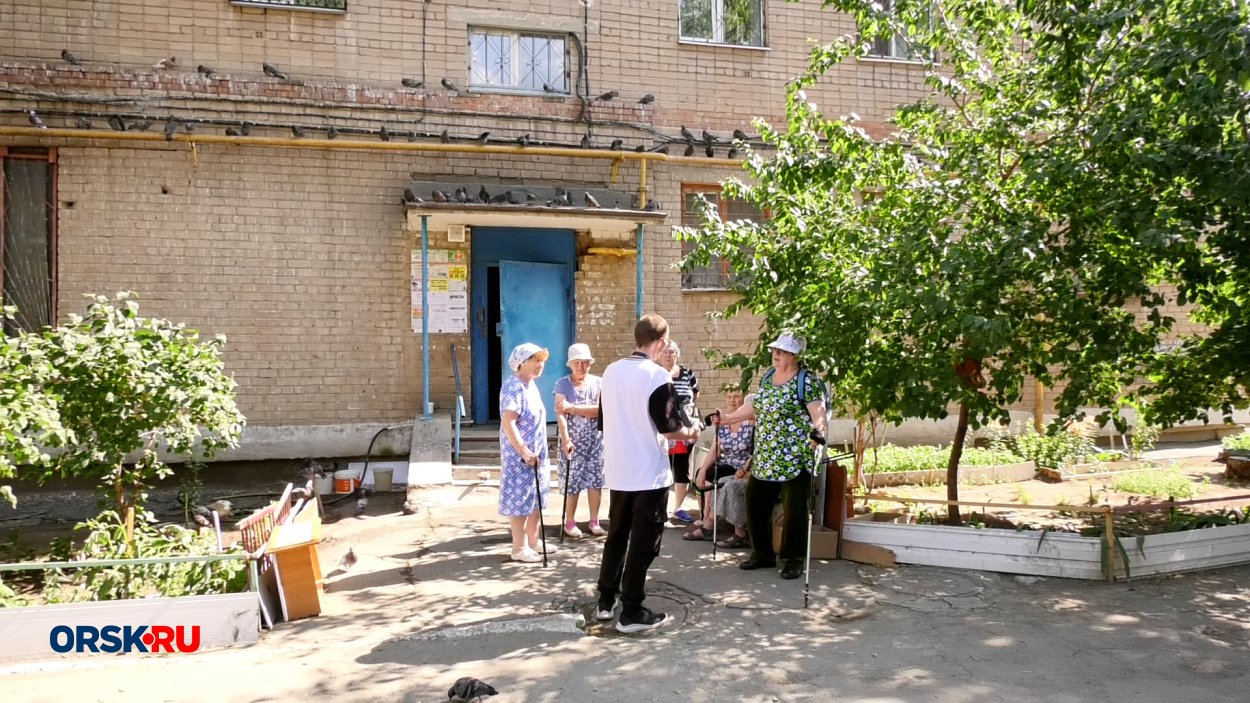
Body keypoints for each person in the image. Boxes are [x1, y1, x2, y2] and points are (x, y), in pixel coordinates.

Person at [595, 313, 700, 633]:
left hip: (618, 469)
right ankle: (631, 611)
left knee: (616, 536)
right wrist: (693, 431)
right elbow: (671, 431)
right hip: (648, 473)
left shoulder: (611, 372)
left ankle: (605, 600)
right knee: (644, 542)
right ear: (661, 342)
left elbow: (603, 421)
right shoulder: (656, 376)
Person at [714, 333, 825, 580]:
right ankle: (762, 554)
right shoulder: (767, 377)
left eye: (783, 351)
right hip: (766, 454)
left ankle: (793, 559)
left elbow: (818, 413)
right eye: (775, 349)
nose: (776, 354)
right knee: (754, 502)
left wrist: (818, 431)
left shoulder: (806, 381)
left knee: (795, 510)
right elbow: (755, 406)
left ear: (795, 355)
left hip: (795, 456)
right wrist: (727, 418)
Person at [498, 342, 558, 564]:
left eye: (542, 361)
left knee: (536, 498)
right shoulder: (513, 386)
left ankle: (534, 542)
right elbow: (509, 421)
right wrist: (523, 450)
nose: (540, 365)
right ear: (521, 363)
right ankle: (519, 547)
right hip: (520, 456)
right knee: (520, 500)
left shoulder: (530, 385)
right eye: (536, 361)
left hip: (537, 455)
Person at [684, 389, 754, 548]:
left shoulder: (751, 423)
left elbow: (755, 451)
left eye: (737, 396)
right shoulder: (723, 423)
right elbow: (715, 449)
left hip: (741, 466)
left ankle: (708, 525)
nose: (733, 400)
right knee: (705, 473)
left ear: (743, 399)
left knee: (719, 481)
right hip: (727, 463)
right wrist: (702, 470)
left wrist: (745, 468)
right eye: (729, 397)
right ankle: (706, 519)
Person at [553, 342, 606, 538]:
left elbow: (600, 411)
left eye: (585, 362)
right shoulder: (562, 384)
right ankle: (570, 522)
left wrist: (572, 408)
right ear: (570, 364)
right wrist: (566, 438)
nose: (581, 366)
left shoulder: (599, 382)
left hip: (595, 440)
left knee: (595, 481)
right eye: (577, 363)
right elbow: (560, 412)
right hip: (572, 442)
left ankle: (594, 521)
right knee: (572, 481)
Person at [656, 339, 699, 523]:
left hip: (685, 427)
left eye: (671, 352)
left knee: (682, 468)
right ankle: (661, 508)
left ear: (677, 354)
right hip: (662, 428)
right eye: (665, 351)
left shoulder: (688, 373)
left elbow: (694, 395)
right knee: (661, 467)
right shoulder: (656, 374)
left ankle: (678, 508)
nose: (668, 355)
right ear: (659, 354)